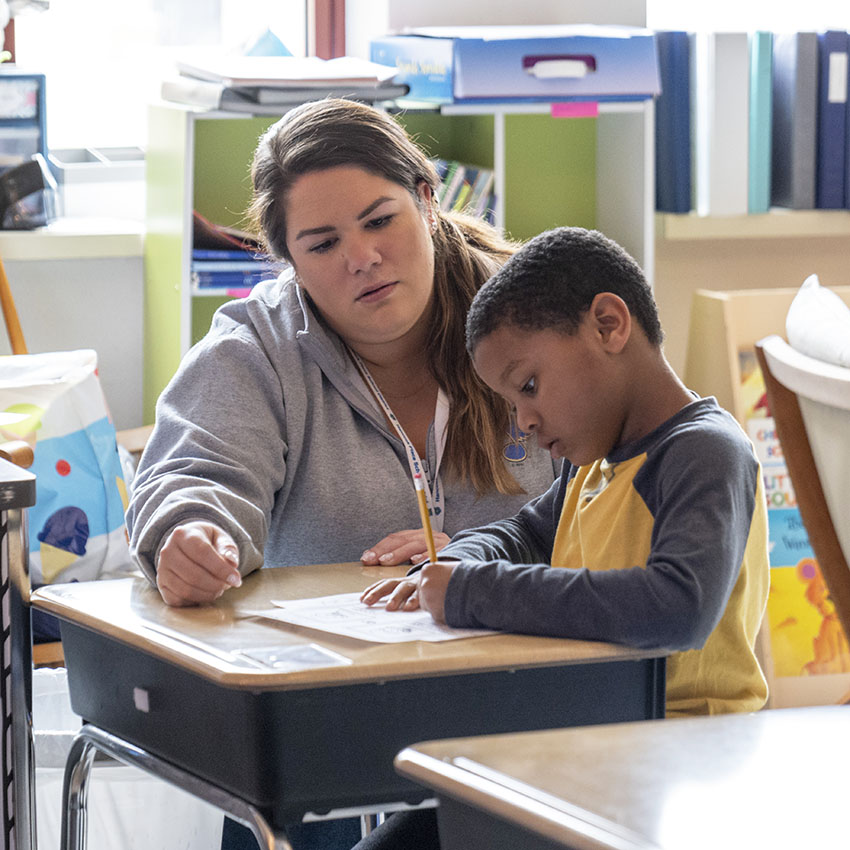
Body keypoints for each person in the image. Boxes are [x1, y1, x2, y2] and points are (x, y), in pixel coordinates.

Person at [125, 98, 559, 850]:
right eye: (322, 243)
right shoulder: (257, 347)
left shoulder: (536, 317)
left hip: (520, 701)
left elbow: (626, 494)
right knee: (279, 788)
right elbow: (196, 472)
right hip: (331, 704)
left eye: (380, 219)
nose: (361, 257)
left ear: (428, 200)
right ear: (290, 261)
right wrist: (189, 533)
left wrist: (475, 559)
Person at [355, 226, 770, 849]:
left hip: (679, 760)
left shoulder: (702, 454)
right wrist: (451, 559)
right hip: (590, 746)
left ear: (608, 325)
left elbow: (677, 606)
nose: (522, 420)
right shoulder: (596, 462)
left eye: (527, 386)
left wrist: (473, 590)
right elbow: (524, 532)